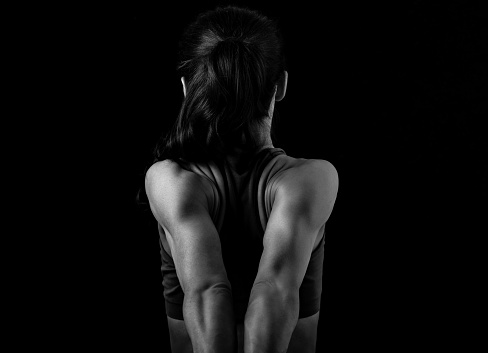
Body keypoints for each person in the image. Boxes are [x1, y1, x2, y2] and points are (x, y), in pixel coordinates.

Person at [144, 5, 338, 353]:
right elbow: (274, 288)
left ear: (187, 88)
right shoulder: (312, 179)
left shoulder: (170, 180)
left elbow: (207, 289)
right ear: (280, 85)